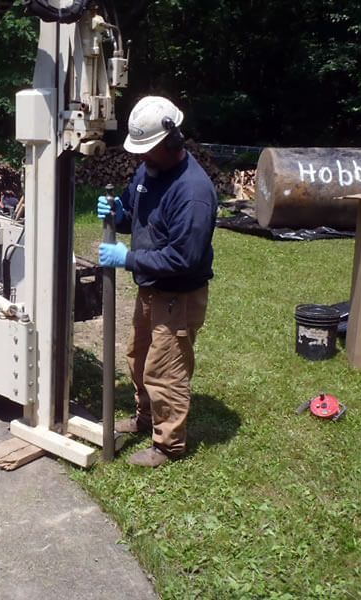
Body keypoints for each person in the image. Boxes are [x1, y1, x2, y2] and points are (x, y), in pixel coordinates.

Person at [97, 95, 217, 468]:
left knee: (166, 368)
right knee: (139, 355)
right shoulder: (149, 170)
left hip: (177, 294)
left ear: (170, 142)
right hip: (150, 287)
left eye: (147, 151)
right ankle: (145, 418)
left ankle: (168, 444)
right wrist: (118, 214)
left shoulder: (193, 193)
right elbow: (134, 211)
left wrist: (127, 258)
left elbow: (184, 258)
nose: (140, 159)